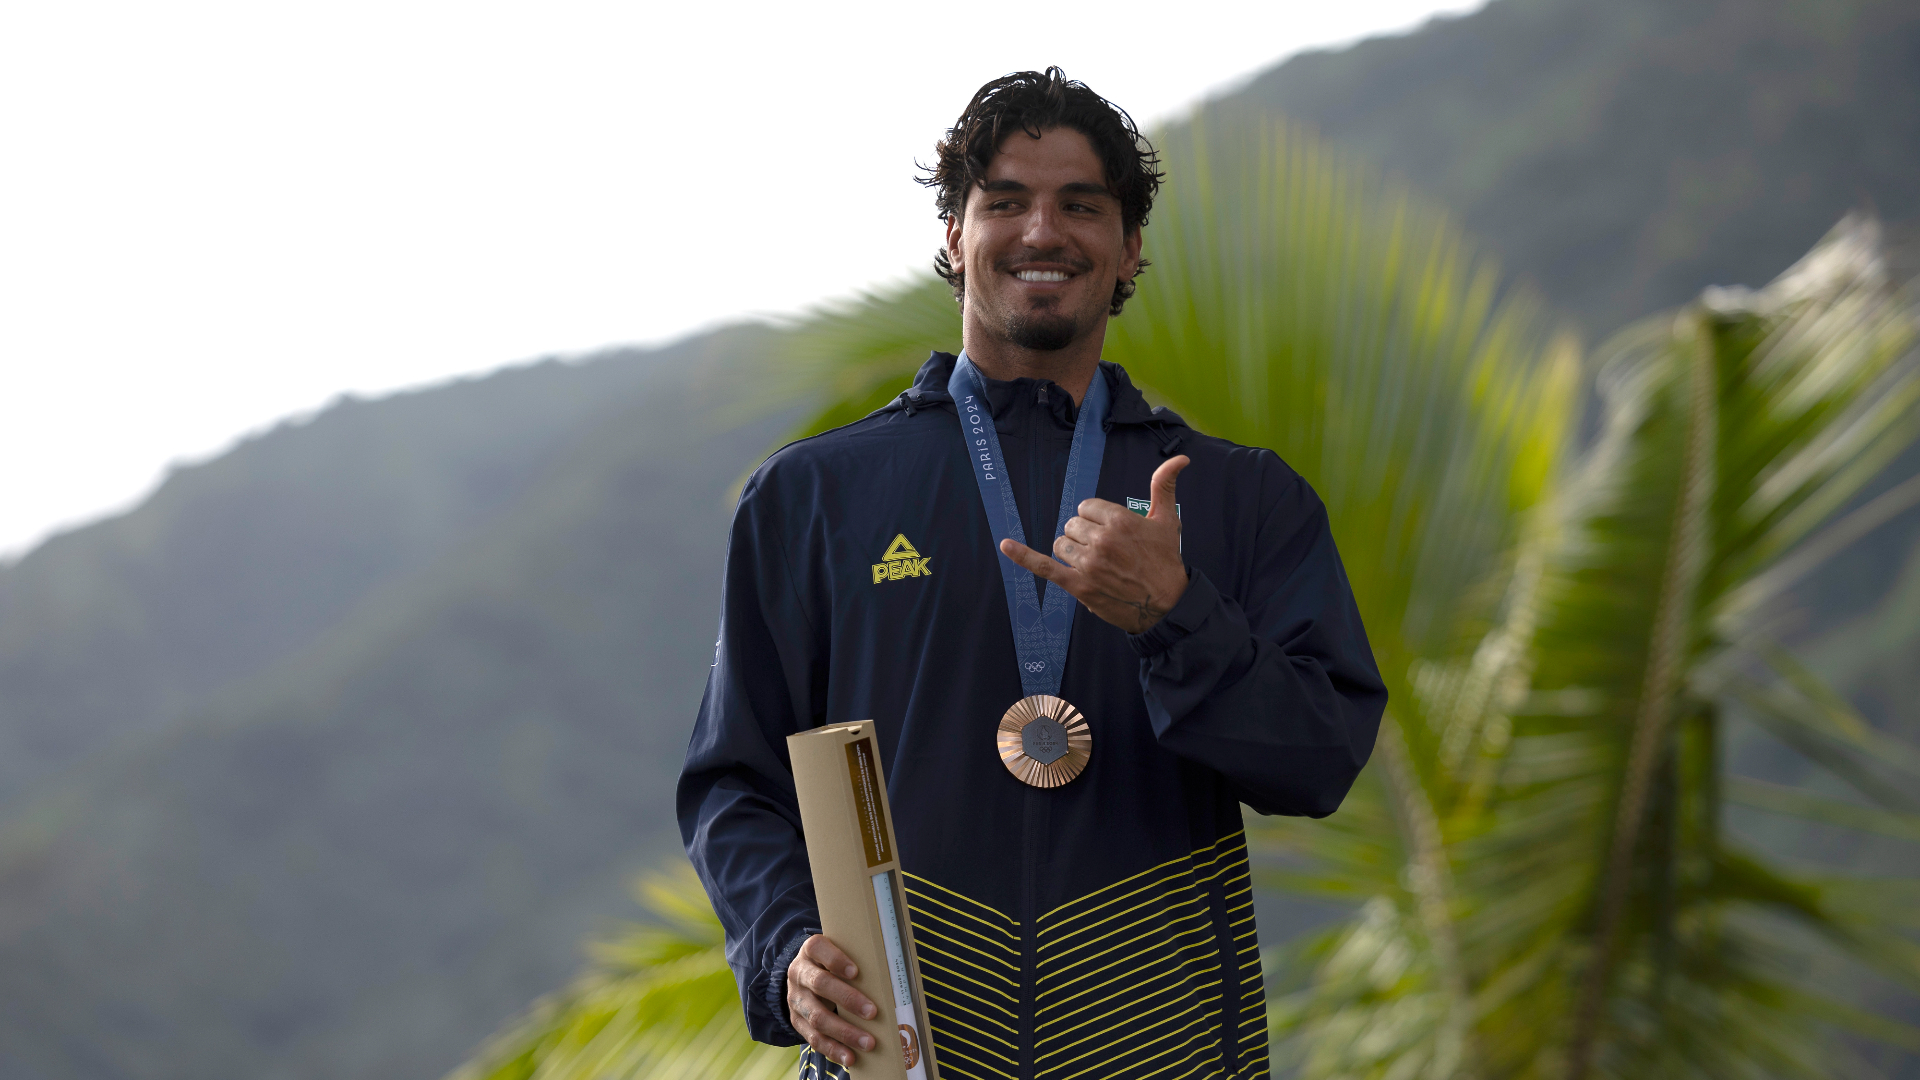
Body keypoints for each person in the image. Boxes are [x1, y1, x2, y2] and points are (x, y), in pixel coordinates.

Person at [678, 67, 1386, 1080]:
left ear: (1129, 246)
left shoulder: (1241, 498)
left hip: (1162, 1052)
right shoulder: (813, 496)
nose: (1042, 231)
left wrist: (1177, 617)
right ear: (957, 238)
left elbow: (1318, 762)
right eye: (1004, 202)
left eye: (1081, 205)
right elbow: (734, 783)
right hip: (899, 1055)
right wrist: (785, 944)